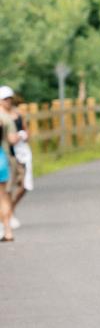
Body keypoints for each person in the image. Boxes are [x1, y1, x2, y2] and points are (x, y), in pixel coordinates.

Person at [0, 87, 33, 224]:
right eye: (5, 99)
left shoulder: (17, 114)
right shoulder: (2, 117)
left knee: (24, 185)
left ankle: (10, 212)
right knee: (6, 188)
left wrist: (24, 135)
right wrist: (17, 136)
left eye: (9, 99)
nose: (8, 101)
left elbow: (25, 131)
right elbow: (11, 139)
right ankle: (6, 218)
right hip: (7, 155)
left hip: (20, 154)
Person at [0, 96, 15, 242]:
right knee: (3, 196)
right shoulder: (4, 118)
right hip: (2, 158)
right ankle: (8, 231)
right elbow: (11, 139)